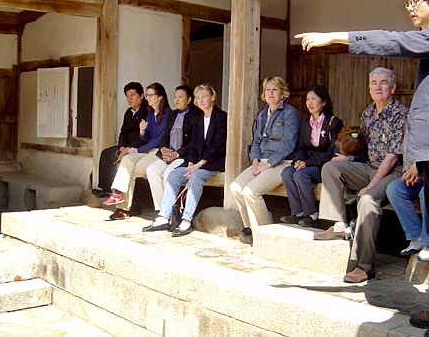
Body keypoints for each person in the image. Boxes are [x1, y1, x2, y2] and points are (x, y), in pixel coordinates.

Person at [297, 0, 429, 337]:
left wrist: (339, 37)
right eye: (408, 1)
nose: (409, 6)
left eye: (416, 0)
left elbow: (397, 41)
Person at [312, 68, 407, 287]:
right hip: (369, 166)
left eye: (383, 83)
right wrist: (348, 156)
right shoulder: (368, 112)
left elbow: (392, 158)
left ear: (392, 88)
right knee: (331, 168)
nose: (378, 87)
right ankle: (338, 224)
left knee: (368, 200)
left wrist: (370, 186)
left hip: (392, 172)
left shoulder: (400, 114)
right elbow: (362, 146)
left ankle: (363, 265)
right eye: (374, 83)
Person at [142, 83, 227, 237]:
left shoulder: (222, 117)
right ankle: (163, 217)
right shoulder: (198, 118)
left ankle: (186, 219)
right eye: (198, 98)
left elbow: (218, 146)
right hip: (195, 162)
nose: (200, 100)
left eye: (204, 97)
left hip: (213, 162)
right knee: (174, 175)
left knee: (195, 176)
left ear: (213, 97)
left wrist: (199, 164)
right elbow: (194, 145)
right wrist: (190, 163)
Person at [229, 76, 300, 240]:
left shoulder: (290, 113)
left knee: (251, 191)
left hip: (280, 163)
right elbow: (256, 141)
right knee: (235, 187)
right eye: (268, 89)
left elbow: (288, 144)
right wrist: (254, 161)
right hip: (261, 161)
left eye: (275, 89)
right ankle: (250, 226)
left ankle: (264, 233)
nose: (270, 93)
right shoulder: (263, 114)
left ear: (282, 93)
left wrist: (267, 165)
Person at [102, 83, 170, 219]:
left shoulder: (167, 115)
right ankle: (117, 196)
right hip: (147, 150)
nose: (148, 98)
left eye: (151, 95)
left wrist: (137, 149)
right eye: (148, 95)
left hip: (158, 152)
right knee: (127, 160)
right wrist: (142, 131)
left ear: (160, 97)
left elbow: (158, 141)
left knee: (130, 170)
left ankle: (123, 209)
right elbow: (146, 137)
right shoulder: (150, 115)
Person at [280, 85, 343, 227]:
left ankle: (312, 214)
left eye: (314, 99)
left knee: (301, 175)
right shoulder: (305, 123)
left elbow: (331, 152)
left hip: (324, 165)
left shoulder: (333, 122)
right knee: (287, 173)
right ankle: (298, 212)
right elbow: (301, 147)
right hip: (308, 162)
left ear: (324, 102)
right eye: (308, 99)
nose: (310, 103)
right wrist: (298, 161)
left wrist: (306, 164)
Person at [145, 85, 201, 211]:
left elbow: (194, 142)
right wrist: (163, 149)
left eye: (181, 97)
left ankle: (170, 211)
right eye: (175, 97)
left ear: (190, 99)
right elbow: (165, 136)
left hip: (183, 156)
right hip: (168, 154)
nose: (177, 100)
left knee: (168, 174)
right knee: (151, 170)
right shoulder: (172, 114)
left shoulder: (196, 115)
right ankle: (161, 210)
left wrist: (177, 154)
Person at [92, 82, 148, 199]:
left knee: (125, 158)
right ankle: (106, 188)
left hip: (139, 147)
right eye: (127, 95)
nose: (130, 98)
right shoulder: (129, 112)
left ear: (142, 96)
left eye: (133, 95)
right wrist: (121, 146)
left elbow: (145, 136)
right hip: (126, 146)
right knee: (107, 154)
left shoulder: (147, 111)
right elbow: (123, 132)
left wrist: (128, 149)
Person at [386, 164, 429, 261]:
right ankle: (416, 237)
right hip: (418, 174)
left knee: (426, 193)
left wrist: (417, 166)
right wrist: (409, 173)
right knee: (394, 189)